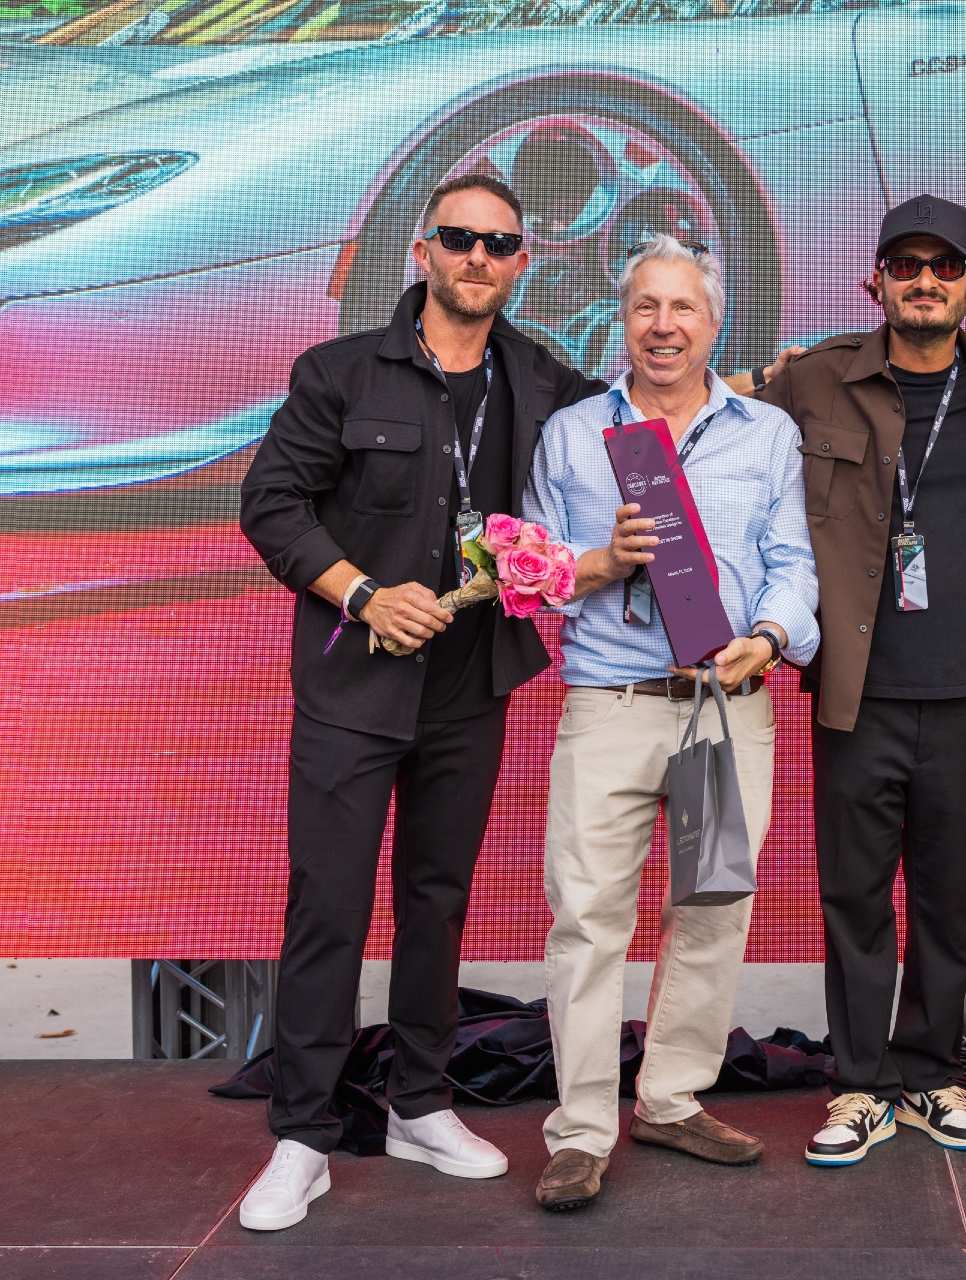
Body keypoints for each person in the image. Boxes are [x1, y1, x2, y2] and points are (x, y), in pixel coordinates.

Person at [235, 175, 790, 1231]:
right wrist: (361, 591)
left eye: (498, 244)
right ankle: (303, 1132)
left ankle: (420, 1103)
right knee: (328, 906)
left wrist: (756, 380)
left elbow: (657, 387)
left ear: (522, 262)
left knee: (437, 899)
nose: (478, 257)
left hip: (467, 686)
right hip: (355, 682)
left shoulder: (539, 380)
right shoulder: (339, 372)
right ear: (424, 252)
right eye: (459, 238)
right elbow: (271, 503)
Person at [751, 195, 966, 1166]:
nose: (925, 280)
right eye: (906, 264)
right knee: (853, 896)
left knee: (944, 897)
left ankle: (928, 1074)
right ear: (873, 281)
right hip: (857, 687)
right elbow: (725, 441)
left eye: (945, 265)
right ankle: (858, 1085)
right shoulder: (812, 379)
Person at [522, 235, 819, 1212]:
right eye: (646, 306)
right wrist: (602, 560)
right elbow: (532, 573)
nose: (663, 325)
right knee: (587, 921)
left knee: (711, 908)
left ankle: (672, 1097)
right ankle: (580, 1131)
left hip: (721, 709)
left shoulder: (766, 433)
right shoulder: (573, 433)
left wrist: (769, 638)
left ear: (713, 323)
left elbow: (793, 562)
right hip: (608, 704)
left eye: (682, 307)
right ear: (624, 320)